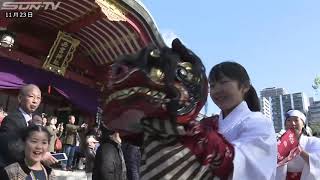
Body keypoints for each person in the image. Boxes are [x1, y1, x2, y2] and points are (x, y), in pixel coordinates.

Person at [207, 61, 277, 179]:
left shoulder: (259, 122)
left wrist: (200, 137)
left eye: (223, 82)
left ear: (245, 86)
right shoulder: (210, 124)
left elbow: (242, 163)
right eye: (212, 85)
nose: (216, 90)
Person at [0, 84, 57, 168]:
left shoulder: (34, 123)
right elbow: (11, 147)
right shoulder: (11, 120)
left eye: (38, 98)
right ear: (20, 98)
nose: (35, 101)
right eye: (31, 96)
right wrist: (40, 156)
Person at [276, 109, 320, 180]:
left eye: (296, 120)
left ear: (303, 124)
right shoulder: (279, 143)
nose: (292, 123)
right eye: (289, 120)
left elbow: (317, 161)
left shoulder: (314, 141)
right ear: (285, 125)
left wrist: (299, 150)